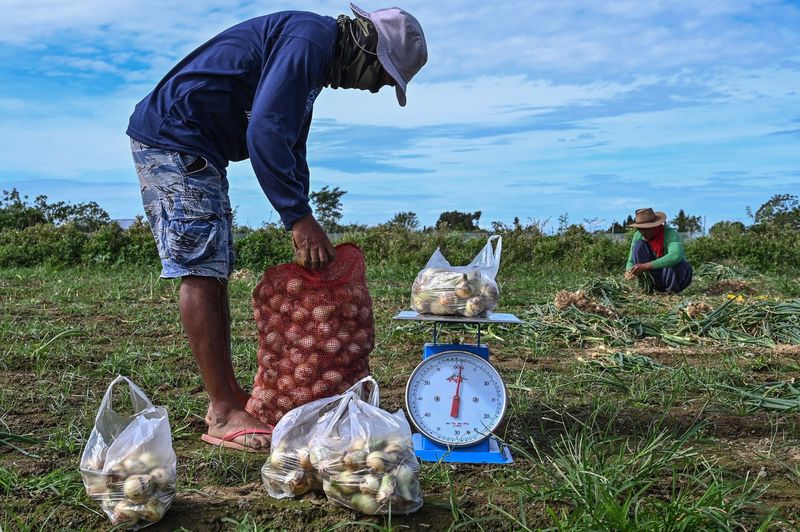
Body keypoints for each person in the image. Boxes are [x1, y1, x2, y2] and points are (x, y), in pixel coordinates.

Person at [126, 4, 427, 452]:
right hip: (175, 138)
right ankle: (225, 411)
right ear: (368, 51)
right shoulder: (309, 40)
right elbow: (265, 131)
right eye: (384, 77)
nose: (377, 88)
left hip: (196, 145)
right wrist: (297, 217)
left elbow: (290, 141)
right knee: (201, 269)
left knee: (214, 270)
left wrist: (302, 209)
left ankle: (226, 402)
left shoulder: (312, 55)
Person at [624, 207, 693, 293]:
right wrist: (629, 271)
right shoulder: (638, 235)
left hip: (674, 275)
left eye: (646, 229)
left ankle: (671, 292)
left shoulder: (670, 233)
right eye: (639, 229)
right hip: (654, 276)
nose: (642, 232)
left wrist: (645, 266)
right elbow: (631, 260)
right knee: (639, 246)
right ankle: (648, 287)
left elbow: (675, 256)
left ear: (655, 226)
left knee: (673, 264)